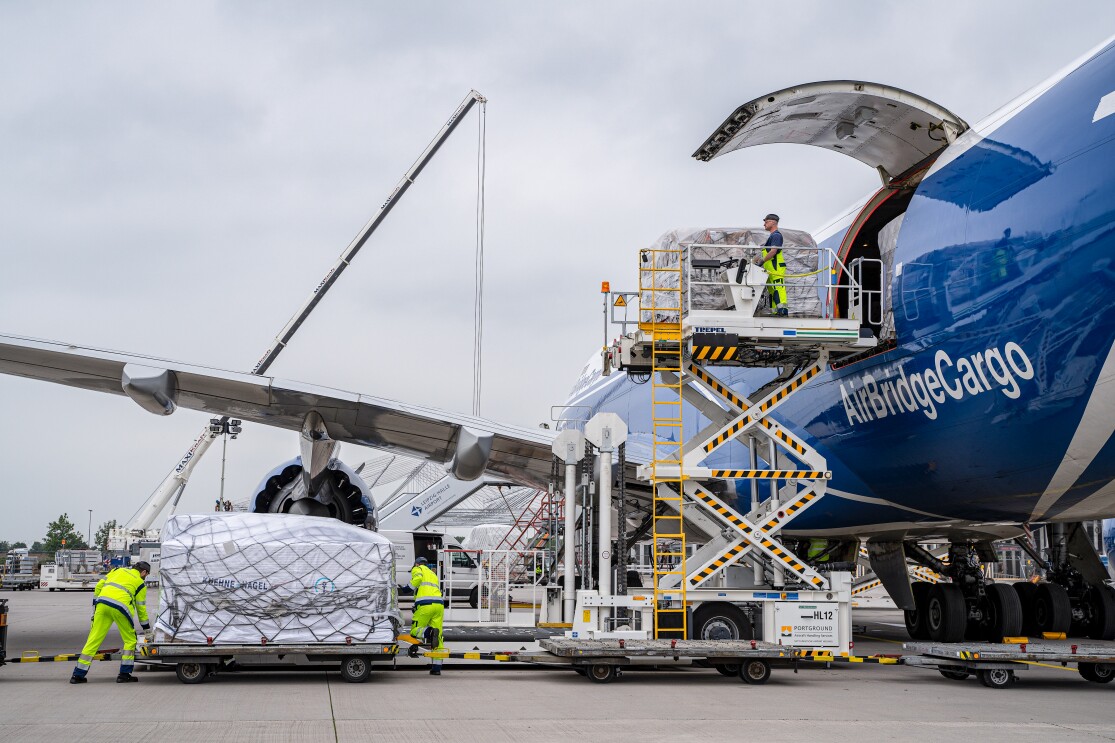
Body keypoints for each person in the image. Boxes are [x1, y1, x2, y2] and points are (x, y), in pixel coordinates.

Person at [70, 561, 151, 684]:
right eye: (147, 575)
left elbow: (98, 587)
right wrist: (147, 629)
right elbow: (141, 609)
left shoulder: (116, 571)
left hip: (102, 604)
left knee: (93, 639)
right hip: (121, 608)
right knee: (130, 640)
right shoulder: (140, 583)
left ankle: (77, 675)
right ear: (144, 572)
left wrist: (95, 607)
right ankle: (124, 674)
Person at [410, 556, 445, 676]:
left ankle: (429, 633)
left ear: (417, 564)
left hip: (425, 605)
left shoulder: (417, 569)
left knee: (415, 630)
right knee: (438, 637)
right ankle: (437, 668)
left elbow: (417, 580)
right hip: (439, 605)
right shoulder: (433, 574)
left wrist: (406, 588)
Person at [757, 213, 788, 316]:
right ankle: (776, 311)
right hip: (770, 270)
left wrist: (762, 261)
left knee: (778, 288)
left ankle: (783, 311)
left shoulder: (776, 236)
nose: (764, 224)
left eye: (766, 222)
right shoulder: (771, 237)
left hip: (776, 268)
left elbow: (773, 251)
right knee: (772, 290)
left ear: (773, 222)